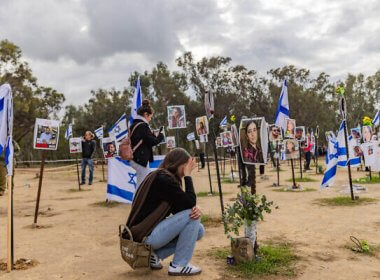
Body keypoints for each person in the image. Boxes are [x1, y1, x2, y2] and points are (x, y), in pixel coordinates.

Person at [125, 148, 204, 276]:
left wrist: (195, 208)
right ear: (178, 164)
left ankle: (154, 256)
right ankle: (179, 265)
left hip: (145, 234)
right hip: (145, 237)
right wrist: (188, 176)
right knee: (192, 216)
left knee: (199, 230)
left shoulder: (161, 176)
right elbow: (189, 205)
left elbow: (181, 208)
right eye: (186, 166)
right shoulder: (164, 179)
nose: (186, 170)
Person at [130, 100, 164, 188]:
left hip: (136, 157)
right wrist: (161, 135)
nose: (150, 119)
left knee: (141, 184)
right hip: (140, 159)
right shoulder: (142, 126)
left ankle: (139, 201)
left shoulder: (134, 124)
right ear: (146, 114)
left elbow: (145, 139)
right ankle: (138, 201)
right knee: (142, 186)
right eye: (150, 117)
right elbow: (152, 141)